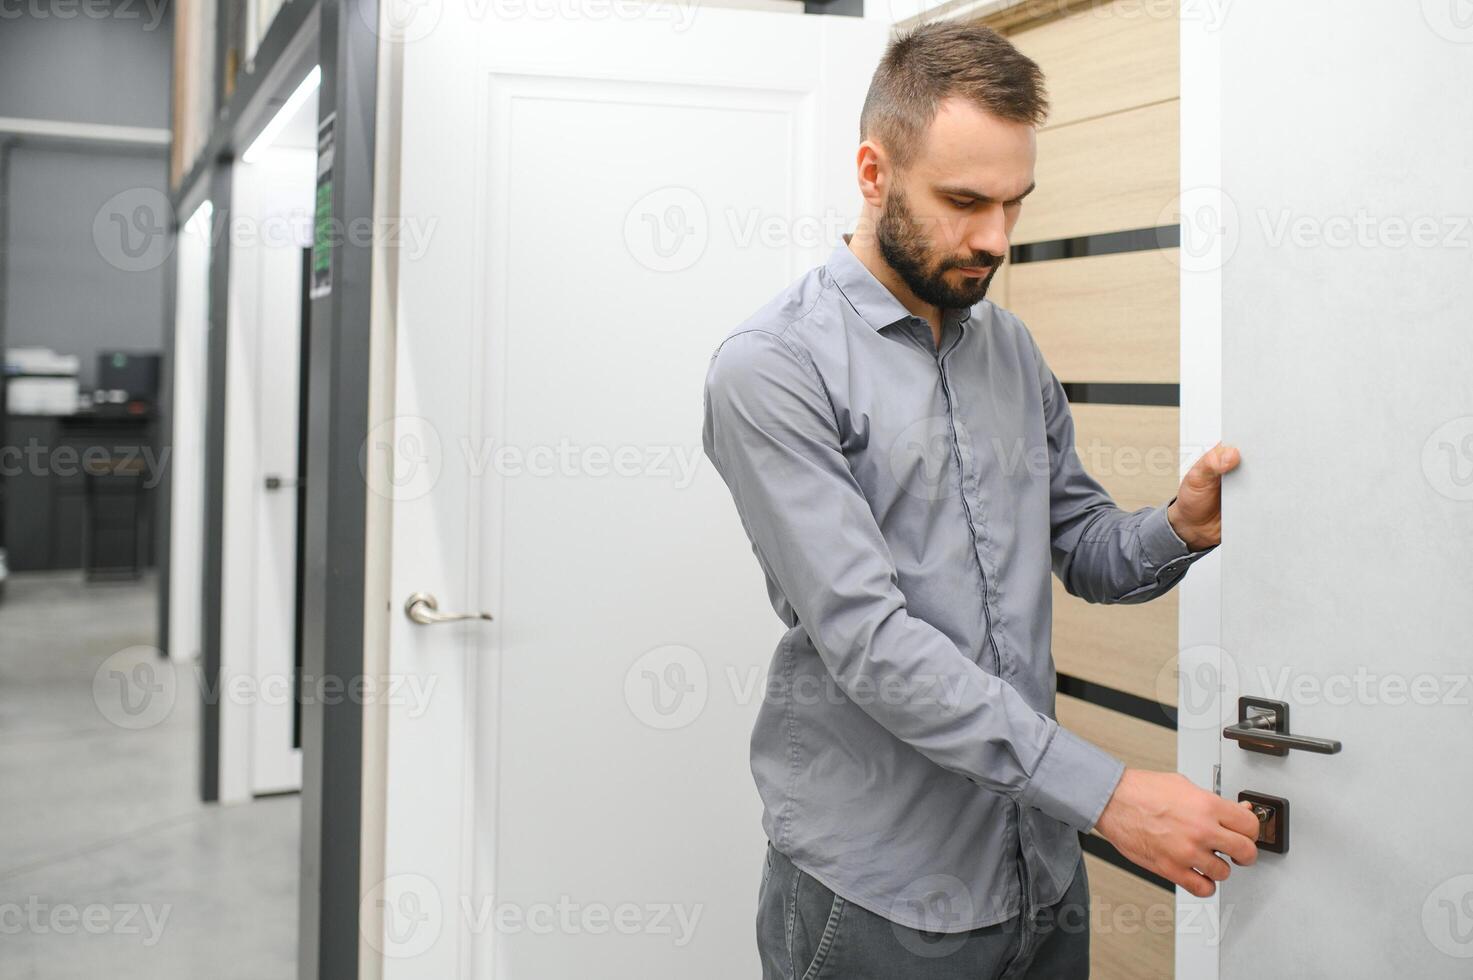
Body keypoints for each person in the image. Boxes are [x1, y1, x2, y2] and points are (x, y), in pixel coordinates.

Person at [700, 20, 1260, 979]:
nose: (995, 239)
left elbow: (1079, 544)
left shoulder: (1008, 347)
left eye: (1013, 203)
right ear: (873, 174)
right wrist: (1111, 795)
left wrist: (1177, 528)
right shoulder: (772, 369)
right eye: (963, 202)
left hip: (1038, 868)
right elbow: (870, 642)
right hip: (879, 894)